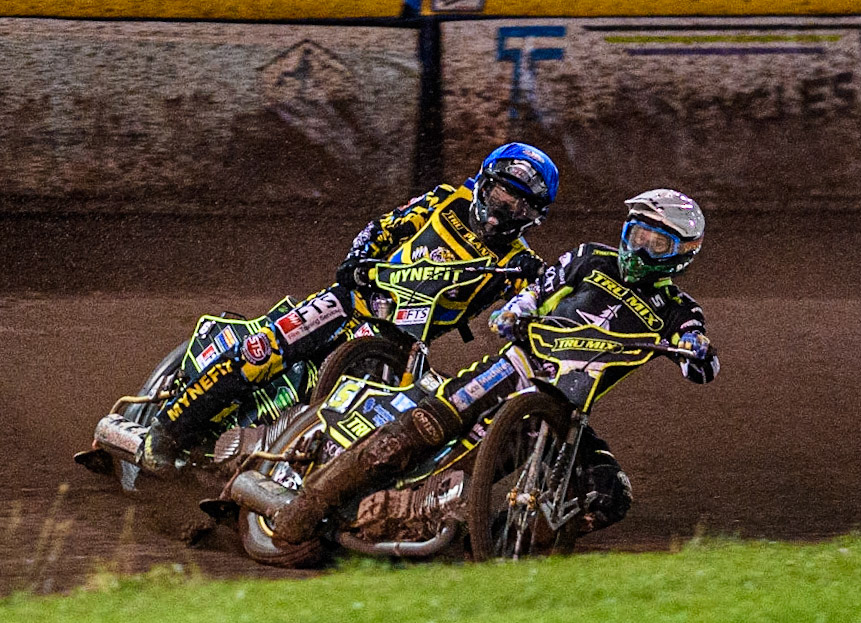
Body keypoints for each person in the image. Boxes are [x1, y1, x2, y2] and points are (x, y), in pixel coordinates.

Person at [273, 188, 720, 544]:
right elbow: (539, 290)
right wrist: (516, 310)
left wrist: (696, 349)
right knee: (422, 429)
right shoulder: (590, 256)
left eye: (656, 243)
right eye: (638, 235)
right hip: (517, 364)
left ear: (681, 254)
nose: (640, 250)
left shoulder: (678, 309)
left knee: (610, 494)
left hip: (567, 408)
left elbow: (701, 362)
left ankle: (493, 538)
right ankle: (310, 504)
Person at [138, 142, 560, 473]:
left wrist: (528, 292)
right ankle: (169, 431)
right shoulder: (444, 201)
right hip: (355, 300)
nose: (504, 210)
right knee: (263, 350)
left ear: (533, 216)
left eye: (519, 205)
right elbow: (381, 228)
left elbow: (536, 306)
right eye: (502, 195)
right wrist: (358, 259)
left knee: (377, 422)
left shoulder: (520, 264)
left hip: (403, 345)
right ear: (484, 184)